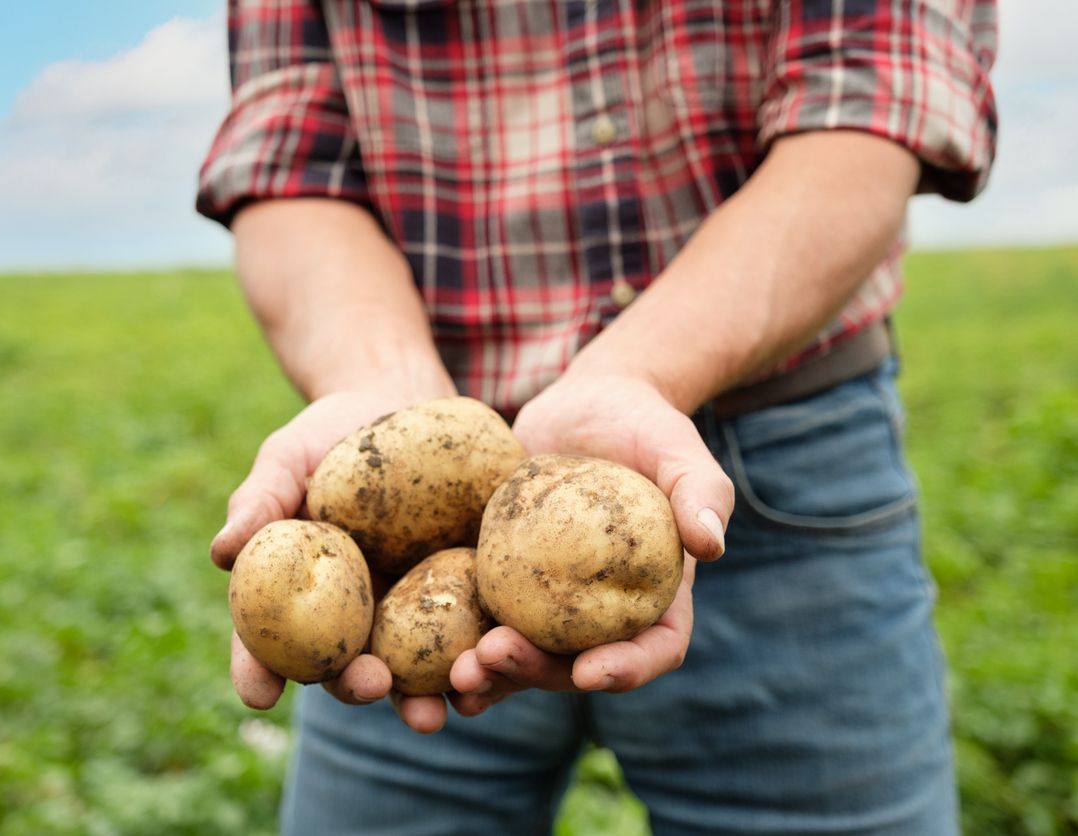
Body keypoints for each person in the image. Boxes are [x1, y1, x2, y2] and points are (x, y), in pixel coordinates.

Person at [196, 0, 997, 832]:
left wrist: (639, 370)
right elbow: (292, 158)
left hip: (783, 459)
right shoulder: (373, 567)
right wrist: (383, 385)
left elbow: (875, 93)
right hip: (403, 549)